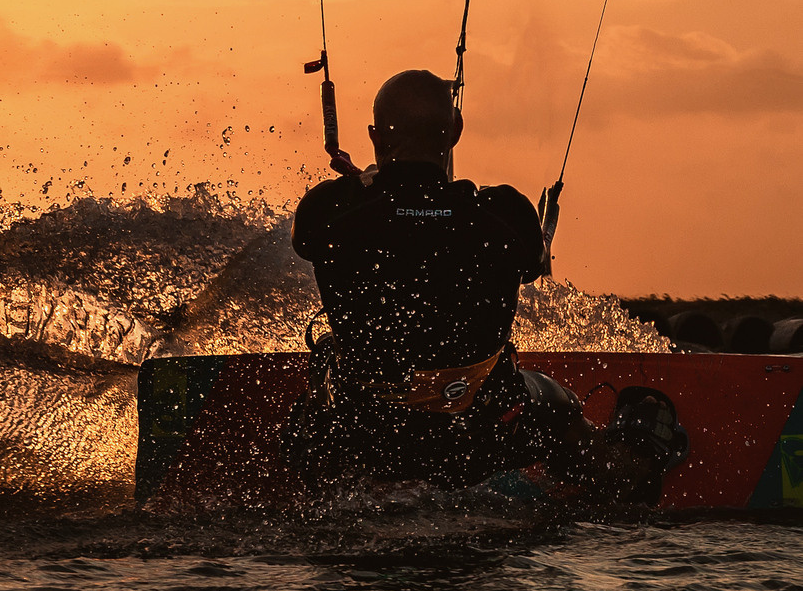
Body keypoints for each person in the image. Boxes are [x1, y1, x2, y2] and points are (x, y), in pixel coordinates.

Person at [287, 68, 686, 504]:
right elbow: (534, 264)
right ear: (455, 131)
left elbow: (316, 235)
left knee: (327, 367)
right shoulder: (505, 214)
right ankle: (624, 465)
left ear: (375, 138)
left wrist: (367, 186)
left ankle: (314, 483)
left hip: (369, 437)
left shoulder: (330, 210)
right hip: (480, 437)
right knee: (556, 401)